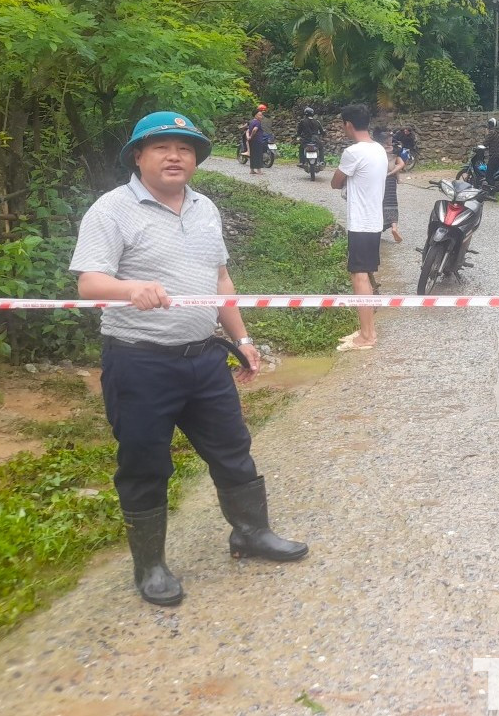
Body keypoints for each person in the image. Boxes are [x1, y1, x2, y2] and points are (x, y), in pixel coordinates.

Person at [69, 111, 307, 608]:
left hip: (205, 359)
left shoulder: (205, 208)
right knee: (144, 462)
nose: (175, 156)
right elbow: (89, 282)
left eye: (185, 148)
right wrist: (130, 288)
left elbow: (219, 280)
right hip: (139, 363)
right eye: (162, 147)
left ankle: (251, 532)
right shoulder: (111, 210)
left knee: (233, 449)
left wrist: (242, 338)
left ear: (196, 159)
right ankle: (150, 566)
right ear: (138, 156)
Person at [331, 104, 388, 351]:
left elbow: (335, 182)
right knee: (363, 275)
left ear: (348, 125)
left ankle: (367, 336)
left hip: (361, 223)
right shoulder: (379, 149)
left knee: (359, 277)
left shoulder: (353, 152)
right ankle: (367, 330)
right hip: (374, 221)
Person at [372, 127, 405, 245]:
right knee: (392, 203)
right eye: (390, 137)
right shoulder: (395, 150)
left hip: (379, 179)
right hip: (391, 180)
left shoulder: (376, 149)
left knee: (379, 203)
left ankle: (376, 228)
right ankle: (394, 228)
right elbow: (401, 164)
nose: (391, 139)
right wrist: (393, 174)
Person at [245, 104, 268, 174]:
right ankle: (259, 171)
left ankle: (252, 170)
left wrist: (248, 137)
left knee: (252, 155)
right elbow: (255, 130)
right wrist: (251, 136)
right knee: (258, 155)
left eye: (261, 115)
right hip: (258, 141)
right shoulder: (258, 122)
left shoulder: (251, 122)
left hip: (252, 141)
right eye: (260, 115)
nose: (261, 116)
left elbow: (248, 130)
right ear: (255, 115)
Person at [483, 118, 499, 187]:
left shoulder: (492, 133)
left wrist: (486, 134)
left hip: (495, 156)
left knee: (488, 174)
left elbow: (485, 143)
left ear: (489, 125)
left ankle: (492, 188)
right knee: (495, 170)